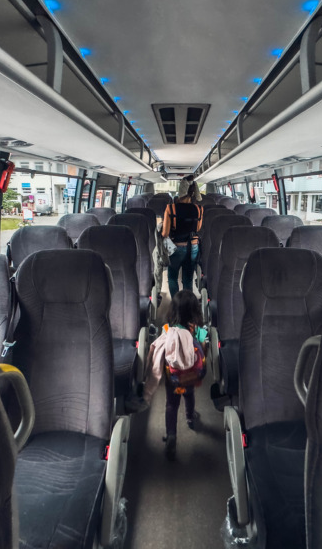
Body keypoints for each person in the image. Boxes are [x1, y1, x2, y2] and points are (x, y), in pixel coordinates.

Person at [143, 290, 208, 460]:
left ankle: (171, 435)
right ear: (195, 310)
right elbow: (204, 345)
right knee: (189, 395)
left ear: (172, 310)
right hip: (190, 377)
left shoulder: (167, 329)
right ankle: (190, 418)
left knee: (171, 405)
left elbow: (162, 349)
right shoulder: (197, 329)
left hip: (173, 378)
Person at [161, 182, 202, 298]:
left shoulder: (171, 208)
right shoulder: (199, 209)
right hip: (192, 246)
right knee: (188, 278)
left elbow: (165, 233)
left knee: (173, 277)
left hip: (176, 247)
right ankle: (187, 306)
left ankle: (176, 304)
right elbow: (197, 228)